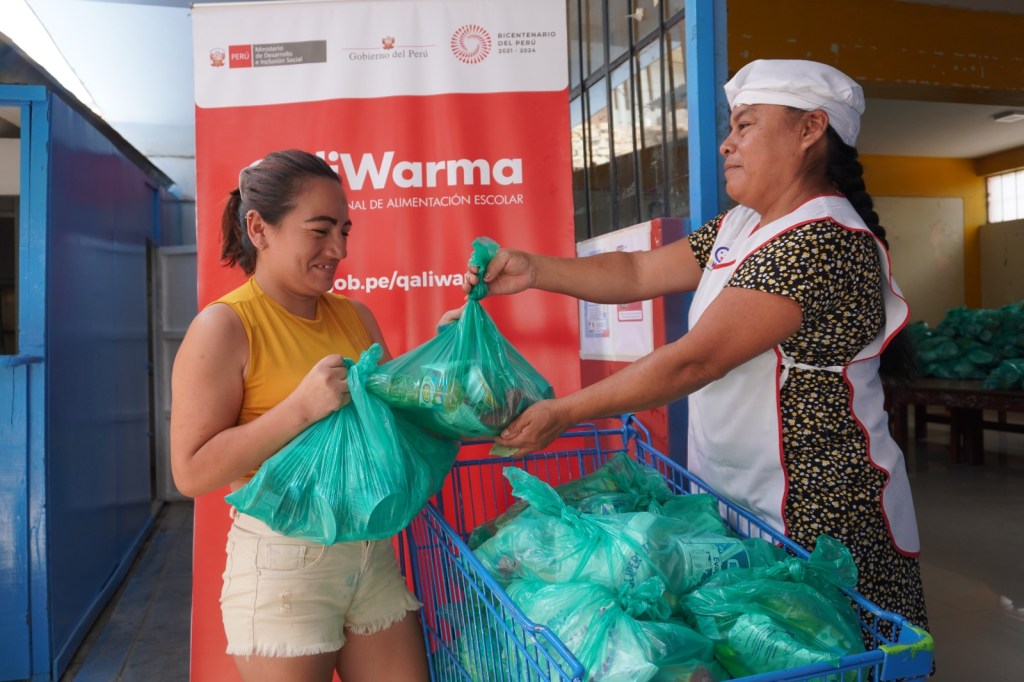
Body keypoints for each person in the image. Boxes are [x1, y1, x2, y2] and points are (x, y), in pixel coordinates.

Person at [460, 60, 929, 638]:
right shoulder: (740, 225)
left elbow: (695, 360)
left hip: (818, 516)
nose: (727, 144)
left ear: (810, 129)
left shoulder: (824, 238)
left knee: (826, 656)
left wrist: (563, 412)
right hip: (741, 497)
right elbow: (636, 272)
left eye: (746, 126)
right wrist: (533, 269)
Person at [170, 149, 428, 682]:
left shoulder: (355, 315)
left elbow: (393, 423)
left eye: (345, 231)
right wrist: (299, 410)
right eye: (320, 230)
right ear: (259, 228)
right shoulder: (224, 327)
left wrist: (442, 359)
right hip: (284, 567)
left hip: (370, 554)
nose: (338, 249)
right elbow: (192, 472)